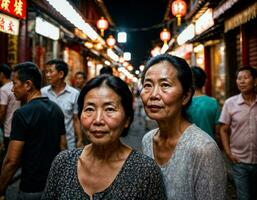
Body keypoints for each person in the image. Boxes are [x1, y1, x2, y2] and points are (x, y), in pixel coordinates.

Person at [42, 74, 167, 199]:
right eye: (90, 109)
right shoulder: (63, 163)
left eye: (110, 109)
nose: (97, 120)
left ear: (127, 119)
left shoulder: (145, 171)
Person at [140, 54, 226, 200]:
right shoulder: (147, 140)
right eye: (148, 85)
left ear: (186, 96)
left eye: (165, 85)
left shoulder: (203, 149)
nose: (153, 95)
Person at [0, 62, 66, 199]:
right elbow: (63, 147)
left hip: (31, 188)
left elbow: (12, 160)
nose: (12, 89)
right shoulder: (56, 109)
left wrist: (1, 187)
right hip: (53, 185)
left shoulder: (22, 114)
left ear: (28, 85)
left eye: (14, 83)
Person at [219, 66, 257, 200]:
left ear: (255, 81)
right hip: (239, 161)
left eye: (245, 78)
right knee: (244, 197)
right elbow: (223, 129)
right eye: (239, 78)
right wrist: (228, 152)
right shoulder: (230, 103)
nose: (241, 81)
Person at [41, 59, 83, 149]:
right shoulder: (43, 92)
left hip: (68, 142)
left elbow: (75, 119)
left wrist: (79, 139)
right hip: (46, 142)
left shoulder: (74, 94)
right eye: (46, 72)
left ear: (61, 74)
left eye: (50, 72)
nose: (47, 75)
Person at [186, 66, 221, 141]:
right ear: (205, 81)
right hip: (209, 146)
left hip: (187, 146)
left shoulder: (183, 103)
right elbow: (218, 130)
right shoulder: (213, 102)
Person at [0, 64, 20, 152]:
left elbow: (2, 111)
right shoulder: (17, 86)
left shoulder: (3, 89)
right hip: (19, 128)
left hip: (8, 129)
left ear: (1, 74)